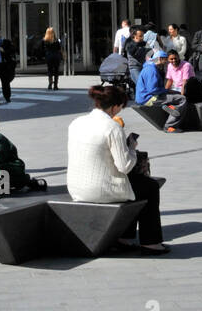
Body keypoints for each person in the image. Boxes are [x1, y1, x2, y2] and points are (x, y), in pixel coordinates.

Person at [66, 84, 169, 255]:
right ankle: (151, 243)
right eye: (120, 107)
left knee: (135, 186)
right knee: (149, 187)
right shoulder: (112, 127)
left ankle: (124, 237)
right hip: (101, 190)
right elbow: (125, 165)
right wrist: (132, 148)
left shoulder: (76, 122)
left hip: (76, 187)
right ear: (115, 107)